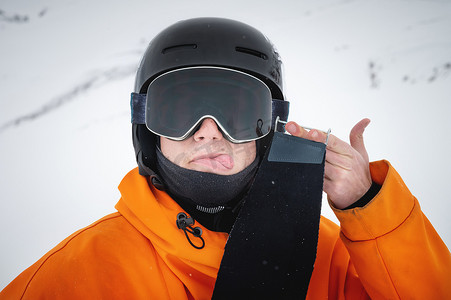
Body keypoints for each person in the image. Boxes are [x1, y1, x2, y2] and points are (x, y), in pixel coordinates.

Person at [1, 17, 450, 300]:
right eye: (179, 111)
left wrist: (367, 207)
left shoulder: (326, 256)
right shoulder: (84, 273)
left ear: (271, 128)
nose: (208, 131)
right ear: (146, 129)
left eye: (238, 113)